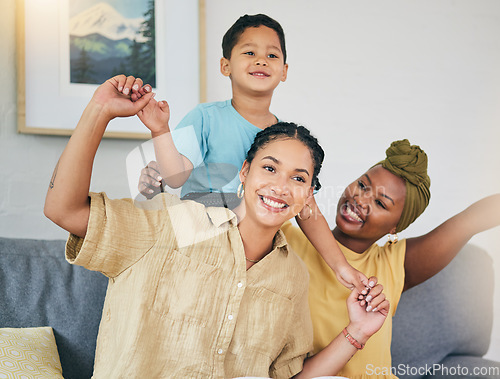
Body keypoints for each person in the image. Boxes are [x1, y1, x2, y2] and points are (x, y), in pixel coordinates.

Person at [43, 75, 392, 378]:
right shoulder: (168, 224)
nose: (281, 186)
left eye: (298, 178)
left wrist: (358, 331)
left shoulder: (293, 278)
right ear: (244, 172)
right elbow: (64, 210)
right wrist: (99, 110)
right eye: (269, 168)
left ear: (308, 198)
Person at [136, 13, 369, 295]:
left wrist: (341, 267)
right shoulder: (205, 117)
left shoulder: (287, 141)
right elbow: (175, 177)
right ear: (225, 66)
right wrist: (160, 130)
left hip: (254, 253)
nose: (261, 60)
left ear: (284, 71)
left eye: (271, 55)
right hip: (203, 239)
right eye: (249, 52)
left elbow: (307, 210)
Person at [281, 139, 500, 379]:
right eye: (363, 185)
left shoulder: (394, 264)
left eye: (380, 203)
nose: (360, 200)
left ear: (396, 226)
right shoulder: (286, 238)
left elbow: (471, 220)